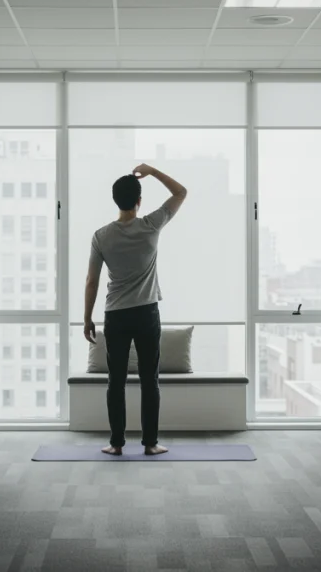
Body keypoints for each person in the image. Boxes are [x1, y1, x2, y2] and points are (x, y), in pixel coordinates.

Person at [84, 163, 187, 456]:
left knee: (115, 381)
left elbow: (92, 280)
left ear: (116, 201)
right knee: (148, 380)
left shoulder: (101, 235)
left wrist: (86, 318)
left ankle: (116, 444)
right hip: (146, 313)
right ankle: (151, 443)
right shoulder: (151, 224)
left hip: (115, 315)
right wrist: (152, 172)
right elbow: (181, 192)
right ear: (139, 201)